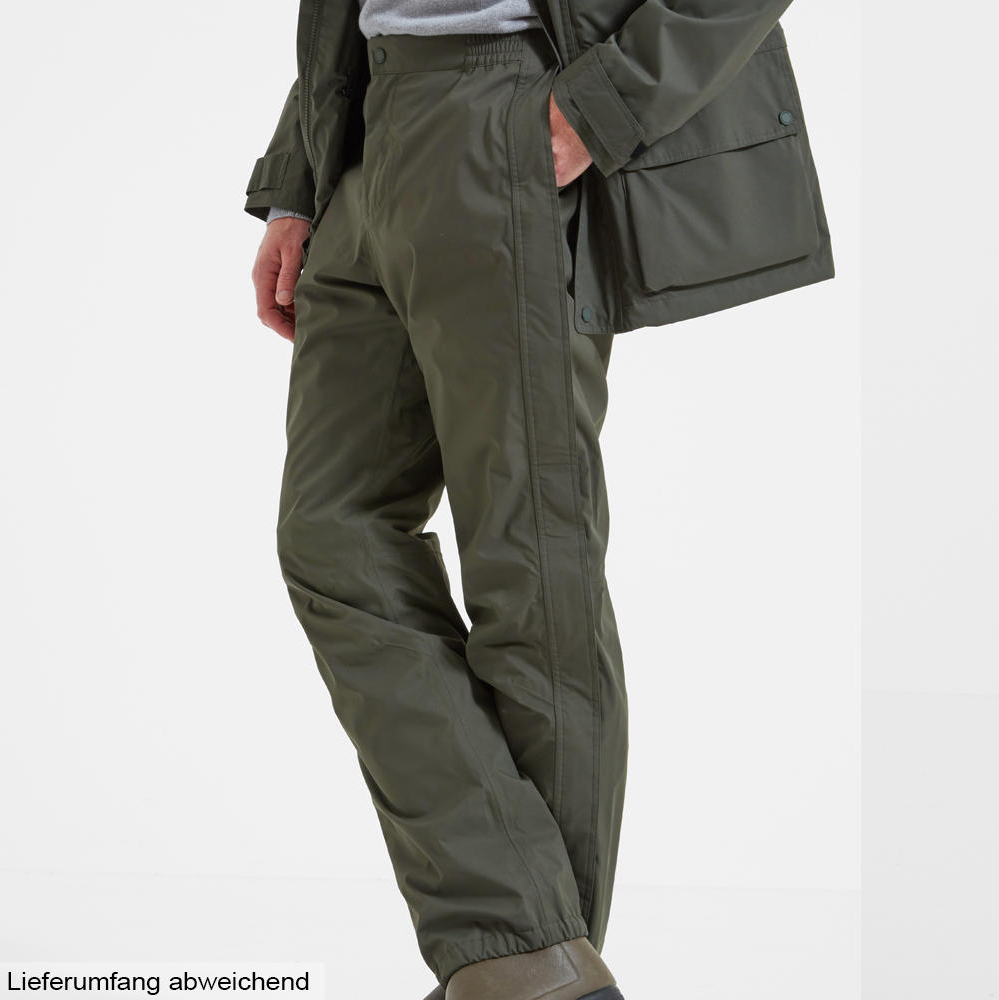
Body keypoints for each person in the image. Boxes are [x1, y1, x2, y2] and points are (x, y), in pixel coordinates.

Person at [246, 1, 834, 997]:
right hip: (363, 126)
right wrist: (297, 184)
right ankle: (532, 952)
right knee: (328, 534)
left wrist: (601, 106)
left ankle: (521, 964)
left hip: (507, 101)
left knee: (526, 560)